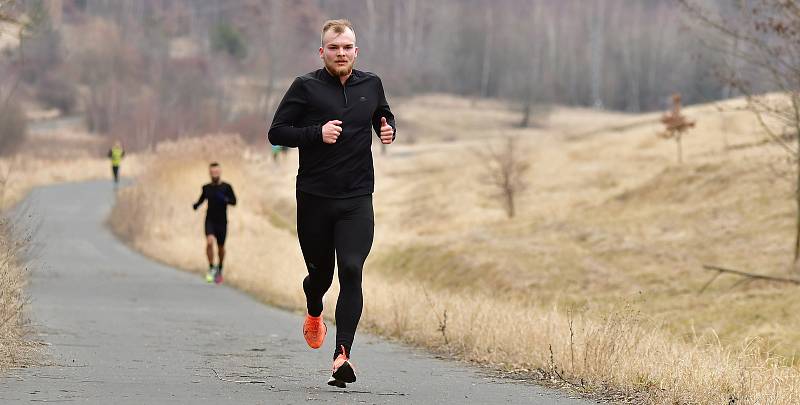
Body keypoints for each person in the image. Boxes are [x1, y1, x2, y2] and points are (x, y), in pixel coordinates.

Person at [268, 19, 396, 388]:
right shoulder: (305, 87)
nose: (341, 53)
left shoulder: (371, 84)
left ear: (356, 51)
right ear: (322, 51)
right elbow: (276, 132)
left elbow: (382, 113)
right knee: (320, 276)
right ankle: (313, 311)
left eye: (347, 48)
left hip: (357, 197)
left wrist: (387, 127)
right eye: (334, 47)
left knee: (352, 269)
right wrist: (315, 134)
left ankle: (342, 355)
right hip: (314, 198)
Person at [192, 162, 237, 285]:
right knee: (209, 241)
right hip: (210, 220)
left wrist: (225, 199)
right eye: (212, 172)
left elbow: (234, 201)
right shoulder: (206, 188)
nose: (214, 174)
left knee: (221, 248)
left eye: (216, 172)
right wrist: (196, 205)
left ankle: (220, 268)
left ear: (220, 172)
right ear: (209, 173)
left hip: (222, 222)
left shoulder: (227, 187)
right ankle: (211, 267)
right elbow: (201, 199)